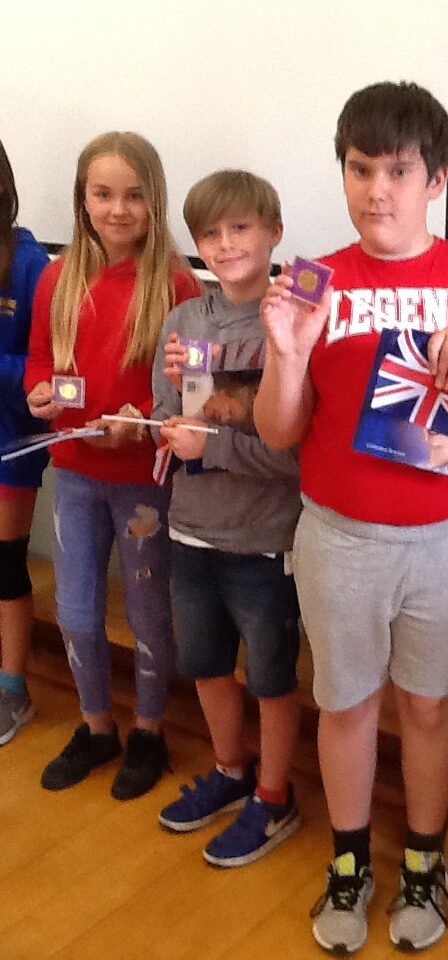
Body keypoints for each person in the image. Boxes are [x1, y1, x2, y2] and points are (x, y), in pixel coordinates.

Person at [256, 81, 448, 955]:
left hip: (446, 540)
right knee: (345, 705)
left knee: (428, 706)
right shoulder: (316, 279)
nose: (377, 189)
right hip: (338, 535)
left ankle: (421, 862)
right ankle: (349, 863)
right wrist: (288, 358)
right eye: (359, 168)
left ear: (436, 179)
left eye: (398, 170)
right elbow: (279, 432)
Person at [24, 132, 201, 800]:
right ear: (83, 199)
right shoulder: (57, 276)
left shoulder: (176, 284)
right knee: (74, 611)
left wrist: (143, 416)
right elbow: (39, 360)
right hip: (73, 472)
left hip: (142, 483)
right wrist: (37, 392)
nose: (118, 209)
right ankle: (97, 726)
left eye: (133, 196)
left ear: (155, 202)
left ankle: (148, 732)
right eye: (103, 194)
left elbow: (191, 389)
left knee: (150, 614)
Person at [152, 169, 302, 867]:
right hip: (190, 530)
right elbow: (166, 418)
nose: (225, 243)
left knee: (270, 678)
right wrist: (169, 419)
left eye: (240, 227)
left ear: (274, 232)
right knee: (206, 665)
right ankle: (231, 770)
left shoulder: (290, 325)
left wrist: (209, 441)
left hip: (264, 543)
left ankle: (274, 796)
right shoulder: (184, 321)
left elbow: (292, 456)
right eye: (209, 232)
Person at [0, 139, 50, 745]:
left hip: (12, 439)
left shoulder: (31, 263)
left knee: (5, 566)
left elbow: (47, 372)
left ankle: (12, 689)